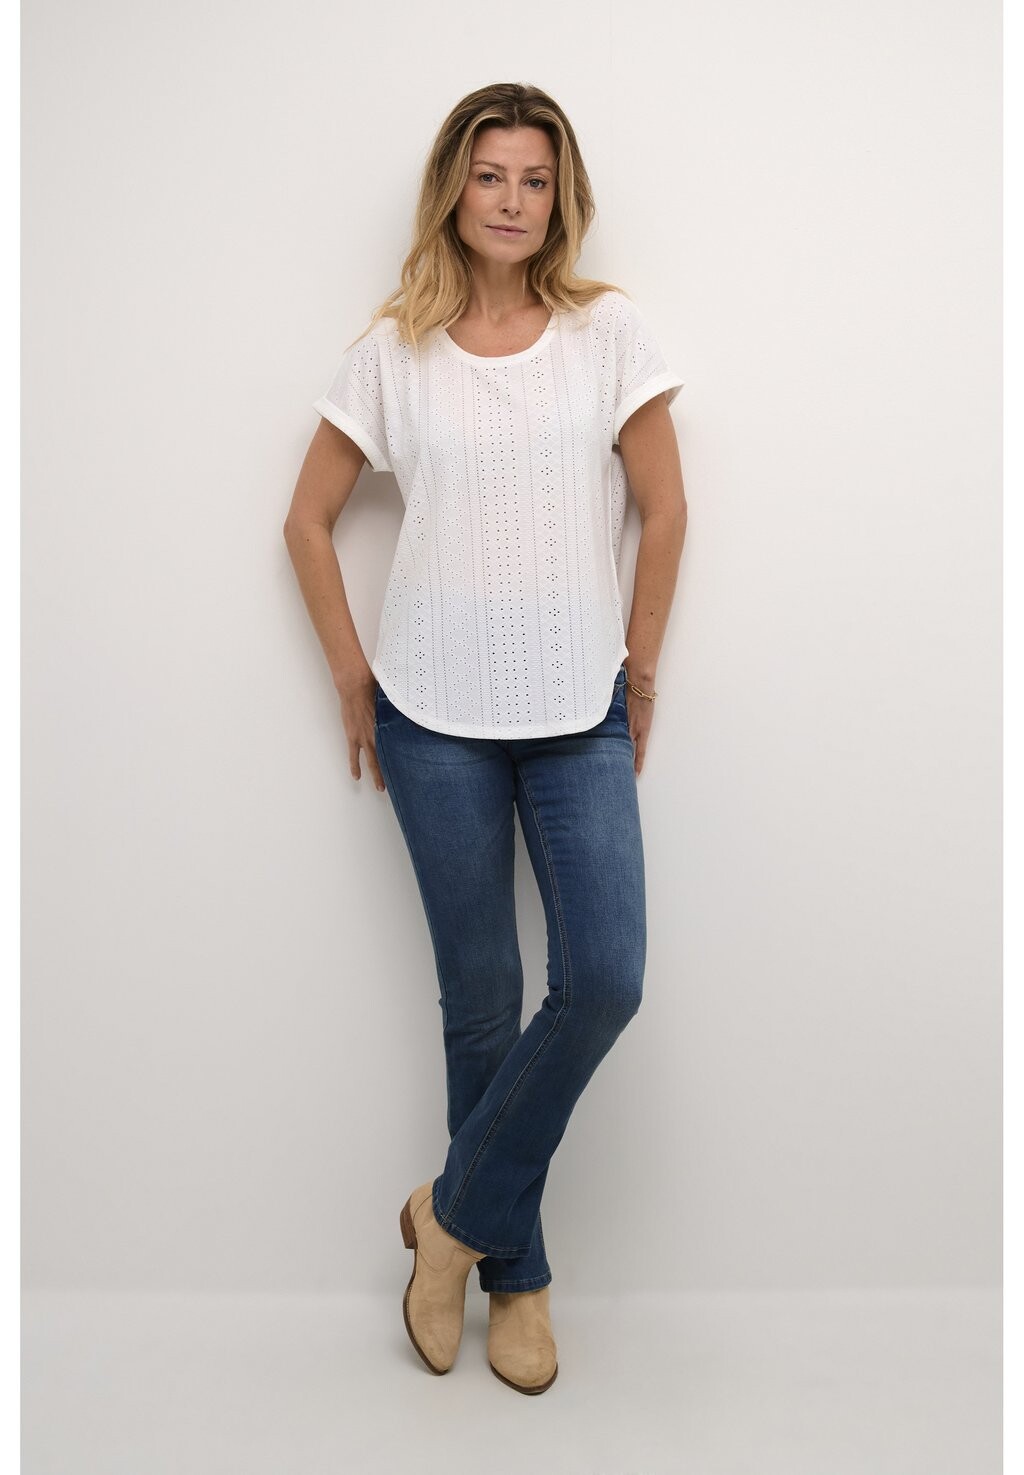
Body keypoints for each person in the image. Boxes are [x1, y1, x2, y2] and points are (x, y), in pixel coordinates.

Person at [283, 81, 687, 1395]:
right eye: (490, 175)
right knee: (481, 1007)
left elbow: (666, 506)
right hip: (431, 719)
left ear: (561, 198)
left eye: (535, 179)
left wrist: (641, 660)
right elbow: (306, 520)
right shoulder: (393, 351)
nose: (512, 200)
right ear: (453, 189)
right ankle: (519, 1278)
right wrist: (353, 678)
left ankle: (447, 1221)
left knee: (604, 978)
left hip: (578, 711)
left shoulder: (606, 333)